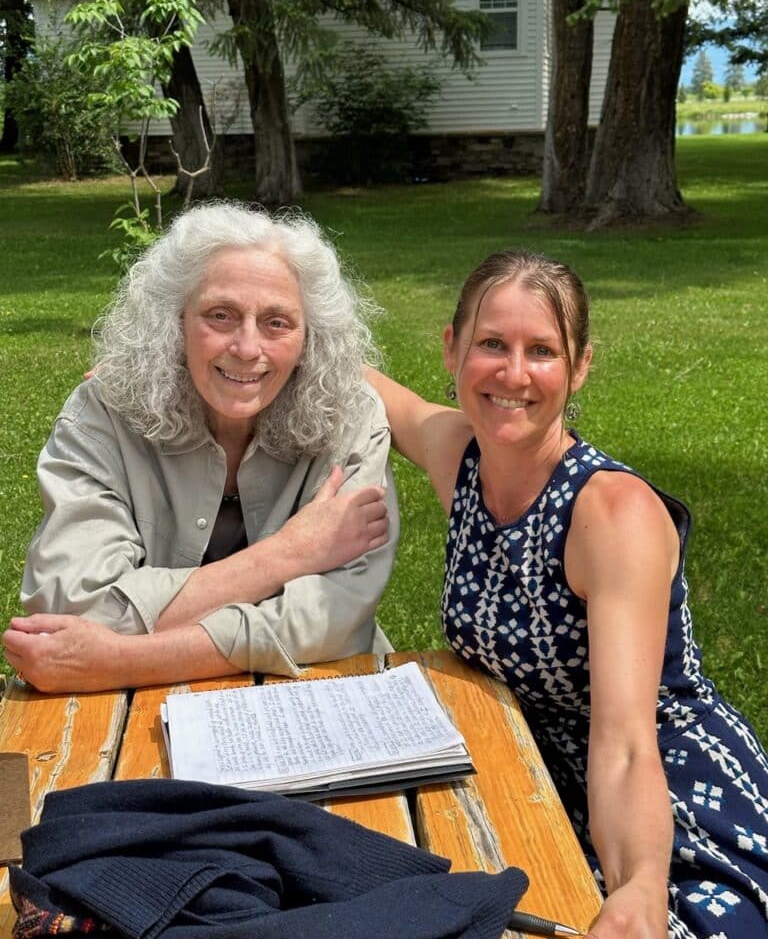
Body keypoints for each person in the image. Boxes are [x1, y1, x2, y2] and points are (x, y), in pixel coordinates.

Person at [366, 249, 768, 939]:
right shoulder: (459, 455)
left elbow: (626, 746)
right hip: (526, 774)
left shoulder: (613, 516)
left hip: (667, 806)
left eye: (542, 351)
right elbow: (366, 385)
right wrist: (162, 366)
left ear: (579, 366)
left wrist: (639, 887)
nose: (513, 373)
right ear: (451, 349)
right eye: (492, 343)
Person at [3, 202, 397, 693]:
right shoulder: (104, 413)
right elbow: (76, 605)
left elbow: (331, 617)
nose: (248, 348)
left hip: (317, 693)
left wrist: (125, 660)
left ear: (309, 339)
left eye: (278, 322)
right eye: (221, 315)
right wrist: (288, 554)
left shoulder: (351, 417)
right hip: (127, 715)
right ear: (176, 321)